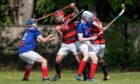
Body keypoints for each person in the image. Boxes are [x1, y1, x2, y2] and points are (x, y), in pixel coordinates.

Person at [51, 3, 81, 81]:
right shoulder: (57, 26)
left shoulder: (69, 18)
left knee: (79, 61)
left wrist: (74, 6)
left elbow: (77, 13)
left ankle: (86, 77)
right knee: (57, 61)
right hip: (65, 44)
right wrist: (59, 32)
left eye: (57, 17)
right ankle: (58, 75)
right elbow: (61, 38)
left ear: (61, 15)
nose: (56, 18)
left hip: (74, 42)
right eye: (55, 17)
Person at [75, 10, 106, 81]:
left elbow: (98, 26)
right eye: (90, 18)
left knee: (95, 59)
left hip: (87, 41)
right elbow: (80, 38)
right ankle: (78, 75)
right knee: (86, 56)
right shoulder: (80, 25)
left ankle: (91, 78)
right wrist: (92, 38)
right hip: (80, 42)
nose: (91, 19)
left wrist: (101, 28)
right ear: (85, 18)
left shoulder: (89, 21)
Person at [90, 11, 110, 81]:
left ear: (92, 16)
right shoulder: (99, 21)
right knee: (101, 59)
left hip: (96, 43)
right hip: (102, 43)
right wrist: (102, 28)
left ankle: (90, 77)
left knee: (91, 59)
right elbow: (100, 28)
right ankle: (106, 75)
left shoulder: (91, 21)